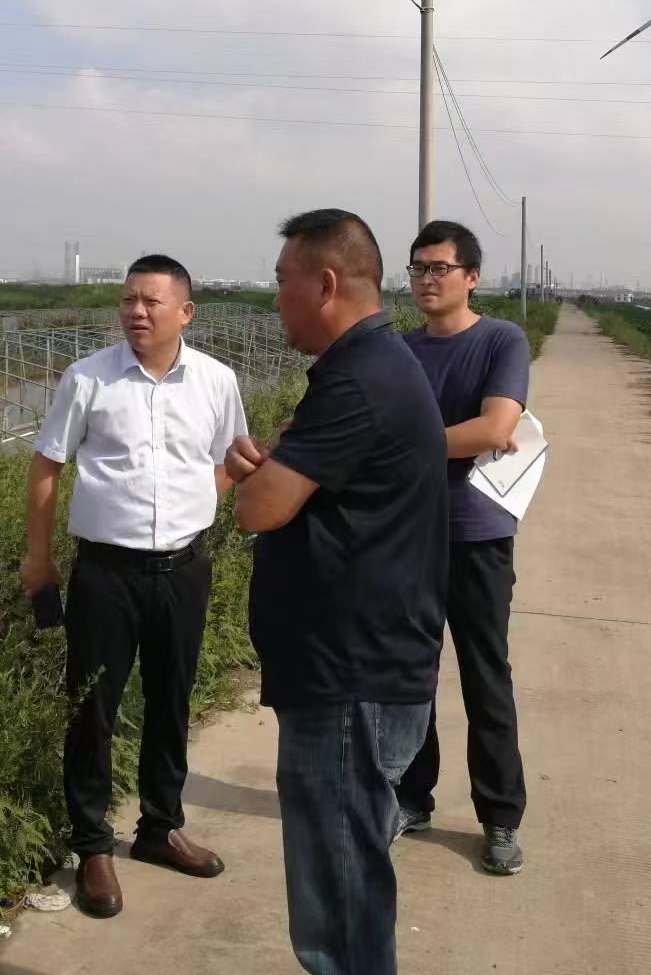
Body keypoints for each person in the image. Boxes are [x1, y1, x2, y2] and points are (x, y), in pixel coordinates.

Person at [225, 208, 449, 975]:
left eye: (282, 281)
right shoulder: (376, 366)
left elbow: (258, 509)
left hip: (350, 680)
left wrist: (262, 475)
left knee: (340, 902)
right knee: (348, 882)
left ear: (325, 284)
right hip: (362, 669)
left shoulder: (357, 380)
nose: (275, 298)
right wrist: (281, 464)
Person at [20, 254, 247, 920]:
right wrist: (39, 557)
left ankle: (160, 827)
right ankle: (92, 845)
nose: (136, 312)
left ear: (185, 313)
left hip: (183, 569)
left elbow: (231, 457)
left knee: (171, 696)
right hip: (106, 573)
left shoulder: (216, 381)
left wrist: (198, 505)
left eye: (151, 301)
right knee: (93, 705)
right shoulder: (88, 378)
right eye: (128, 301)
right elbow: (47, 466)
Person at [393, 219, 529, 875]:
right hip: (408, 534)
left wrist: (405, 444)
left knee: (485, 676)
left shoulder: (502, 340)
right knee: (409, 676)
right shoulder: (400, 351)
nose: (427, 279)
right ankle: (409, 798)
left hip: (477, 535)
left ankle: (500, 816)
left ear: (471, 277)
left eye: (440, 268)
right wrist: (452, 437)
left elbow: (497, 427)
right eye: (418, 268)